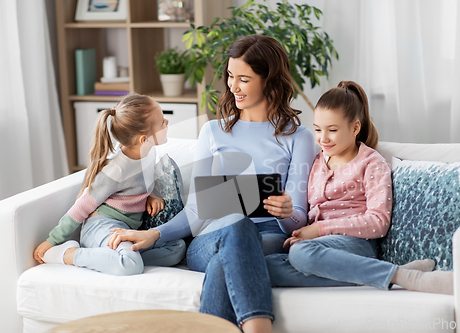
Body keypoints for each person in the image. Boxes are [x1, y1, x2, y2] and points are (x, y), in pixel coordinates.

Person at [107, 35, 316, 333]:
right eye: (230, 76)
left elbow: (299, 217)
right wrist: (153, 234)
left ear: (269, 80)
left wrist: (285, 212)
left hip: (268, 238)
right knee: (235, 223)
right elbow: (197, 210)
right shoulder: (213, 131)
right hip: (210, 238)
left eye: (244, 78)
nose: (233, 86)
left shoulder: (299, 137)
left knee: (227, 259)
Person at [265, 81, 454, 295]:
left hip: (356, 244)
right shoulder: (316, 162)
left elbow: (378, 222)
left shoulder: (371, 163)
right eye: (318, 129)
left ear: (355, 127)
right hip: (320, 249)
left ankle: (405, 277)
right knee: (265, 266)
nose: (323, 138)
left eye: (332, 130)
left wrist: (318, 230)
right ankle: (376, 275)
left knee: (300, 253)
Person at [33, 93, 186, 276]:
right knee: (131, 266)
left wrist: (151, 195)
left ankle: (113, 258)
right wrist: (52, 241)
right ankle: (68, 254)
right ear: (143, 139)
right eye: (162, 122)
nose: (167, 122)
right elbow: (81, 207)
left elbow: (142, 180)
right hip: (101, 226)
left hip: (126, 230)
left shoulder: (149, 153)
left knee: (177, 247)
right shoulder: (116, 170)